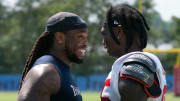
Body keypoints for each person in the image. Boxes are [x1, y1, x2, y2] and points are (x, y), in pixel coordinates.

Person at [100, 4, 167, 101]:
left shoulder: (133, 67)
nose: (103, 42)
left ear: (118, 32)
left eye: (104, 34)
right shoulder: (133, 62)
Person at [17, 12, 88, 101]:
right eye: (80, 37)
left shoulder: (61, 69)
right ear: (60, 38)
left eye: (86, 37)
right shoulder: (45, 72)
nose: (85, 44)